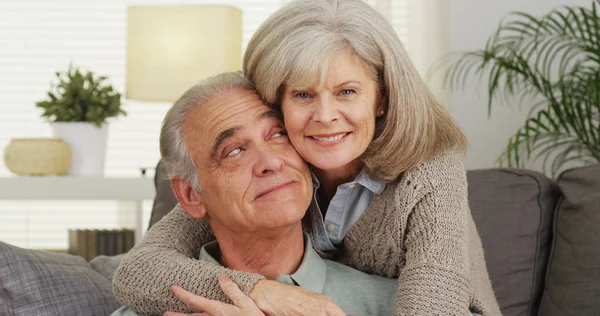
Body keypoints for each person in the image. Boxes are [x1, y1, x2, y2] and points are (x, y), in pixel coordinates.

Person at [113, 0, 501, 315]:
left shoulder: (429, 170)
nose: (326, 116)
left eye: (347, 91)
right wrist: (264, 293)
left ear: (381, 97)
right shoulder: (277, 167)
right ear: (276, 101)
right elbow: (137, 271)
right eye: (302, 95)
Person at [112, 72, 399, 316]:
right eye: (234, 150)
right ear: (190, 195)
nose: (272, 162)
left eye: (277, 134)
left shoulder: (395, 303)